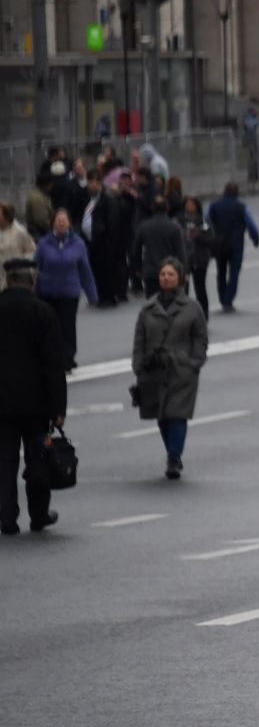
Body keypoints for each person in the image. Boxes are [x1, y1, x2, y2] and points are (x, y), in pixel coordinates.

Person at [0, 258, 65, 533]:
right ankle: (38, 513)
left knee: (4, 461)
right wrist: (59, 407)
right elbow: (53, 363)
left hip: (1, 402)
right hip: (36, 402)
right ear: (32, 281)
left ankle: (7, 517)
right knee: (37, 459)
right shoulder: (43, 312)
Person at [132, 257, 208, 480]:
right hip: (153, 370)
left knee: (177, 414)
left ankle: (174, 457)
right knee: (161, 416)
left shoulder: (192, 308)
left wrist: (193, 362)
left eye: (170, 274)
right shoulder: (148, 308)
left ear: (181, 278)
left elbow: (200, 338)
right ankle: (172, 451)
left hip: (181, 370)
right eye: (163, 274)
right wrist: (138, 365)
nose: (166, 278)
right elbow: (139, 339)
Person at [34, 210, 96, 369]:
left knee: (68, 326)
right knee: (49, 327)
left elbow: (85, 270)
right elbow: (36, 267)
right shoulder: (43, 243)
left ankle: (68, 358)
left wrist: (92, 294)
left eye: (64, 220)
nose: (61, 223)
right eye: (58, 220)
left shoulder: (78, 244)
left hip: (69, 292)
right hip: (47, 292)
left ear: (69, 223)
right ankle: (50, 357)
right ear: (53, 223)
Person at [206, 182, 259, 313]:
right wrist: (255, 238)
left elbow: (207, 221)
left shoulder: (214, 205)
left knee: (221, 271)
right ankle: (228, 299)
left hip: (219, 243)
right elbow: (250, 224)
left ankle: (222, 296)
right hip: (236, 243)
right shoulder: (241, 207)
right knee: (234, 272)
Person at [132, 202, 187, 299]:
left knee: (153, 303)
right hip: (171, 270)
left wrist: (138, 268)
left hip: (150, 270)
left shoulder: (144, 226)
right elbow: (181, 252)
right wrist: (183, 271)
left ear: (152, 209)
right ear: (167, 209)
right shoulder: (174, 227)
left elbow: (136, 249)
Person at [179, 196, 215, 314]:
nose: (189, 206)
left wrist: (197, 235)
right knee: (184, 289)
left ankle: (204, 314)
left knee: (200, 288)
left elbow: (210, 237)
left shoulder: (203, 220)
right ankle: (184, 315)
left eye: (191, 204)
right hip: (184, 259)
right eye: (187, 204)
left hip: (200, 259)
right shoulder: (180, 220)